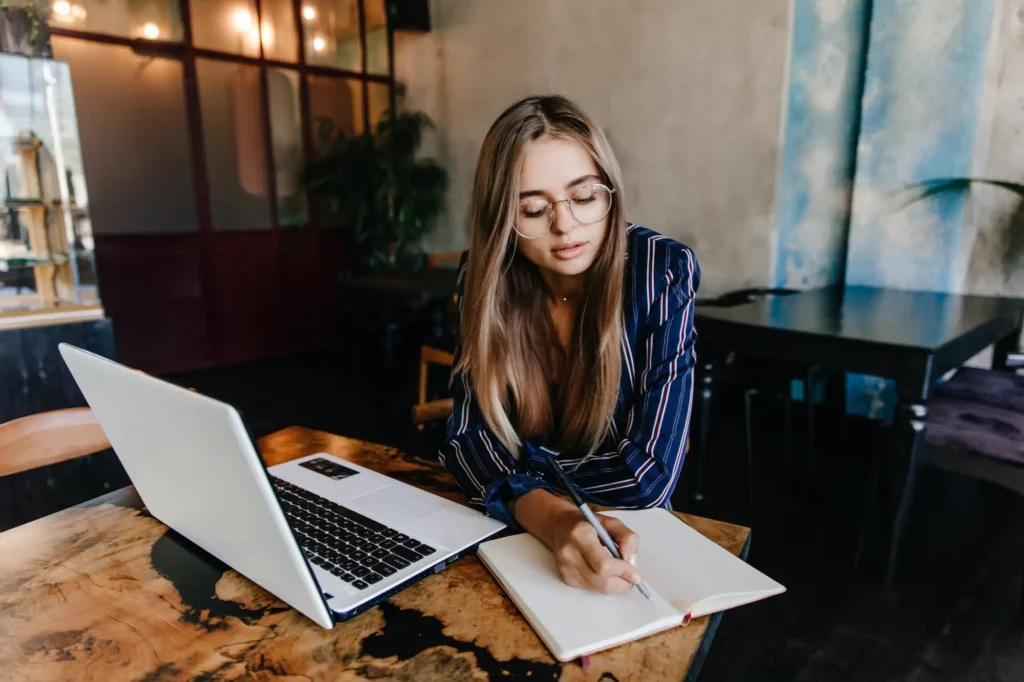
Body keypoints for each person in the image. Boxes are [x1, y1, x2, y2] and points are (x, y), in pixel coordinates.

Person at [440, 95, 700, 597]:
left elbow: (647, 477)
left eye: (583, 197)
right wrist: (550, 516)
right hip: (519, 538)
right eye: (533, 209)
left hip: (632, 547)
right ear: (501, 219)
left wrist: (515, 485)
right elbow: (466, 440)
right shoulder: (484, 275)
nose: (565, 225)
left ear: (610, 192)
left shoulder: (661, 270)